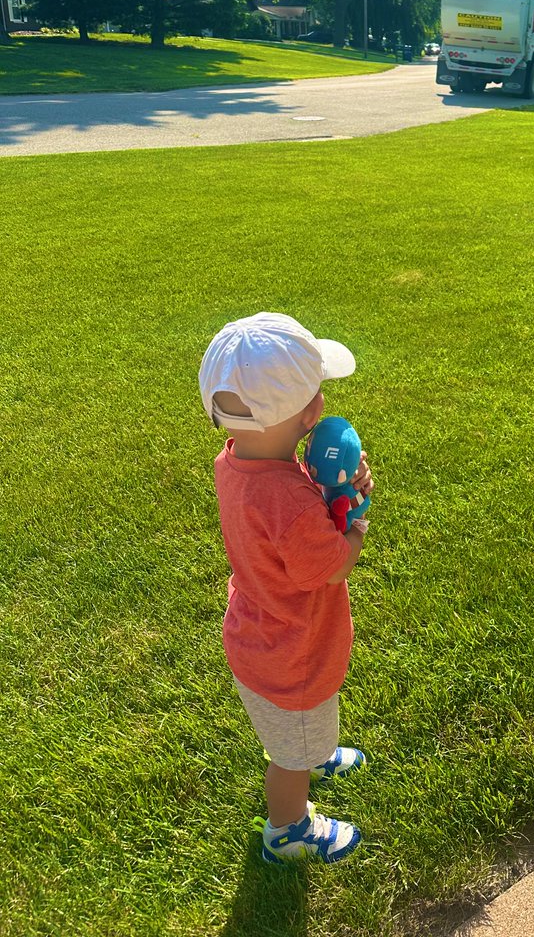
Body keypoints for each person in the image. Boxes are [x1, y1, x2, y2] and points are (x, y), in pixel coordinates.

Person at [198, 311, 374, 865]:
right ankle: (288, 829)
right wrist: (355, 521)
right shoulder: (294, 505)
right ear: (311, 412)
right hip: (292, 653)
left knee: (301, 732)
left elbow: (282, 529)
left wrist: (327, 488)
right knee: (287, 757)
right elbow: (329, 568)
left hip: (260, 632)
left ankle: (312, 749)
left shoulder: (237, 462)